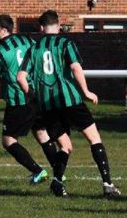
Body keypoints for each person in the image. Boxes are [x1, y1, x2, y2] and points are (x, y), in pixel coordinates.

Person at [17, 10, 121, 197]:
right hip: (70, 100)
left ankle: (57, 182)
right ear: (58, 26)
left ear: (41, 28)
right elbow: (75, 67)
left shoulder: (33, 49)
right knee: (94, 138)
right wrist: (86, 91)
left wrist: (33, 97)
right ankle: (107, 185)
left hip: (48, 104)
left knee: (65, 146)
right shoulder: (65, 43)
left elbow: (21, 77)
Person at [0, 14, 72, 186]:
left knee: (9, 140)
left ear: (4, 29)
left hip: (19, 100)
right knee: (41, 133)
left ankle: (37, 171)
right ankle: (59, 173)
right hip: (38, 95)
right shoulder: (27, 41)